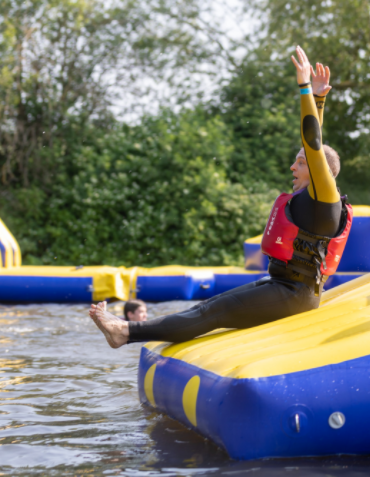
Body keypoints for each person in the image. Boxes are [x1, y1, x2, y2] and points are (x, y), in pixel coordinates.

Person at [89, 46, 353, 347]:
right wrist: (318, 99)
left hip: (296, 295)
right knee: (210, 306)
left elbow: (313, 145)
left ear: (324, 173)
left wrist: (306, 89)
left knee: (217, 310)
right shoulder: (314, 195)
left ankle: (124, 333)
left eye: (301, 162)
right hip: (282, 285)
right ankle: (128, 331)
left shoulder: (326, 200)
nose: (293, 166)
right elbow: (312, 147)